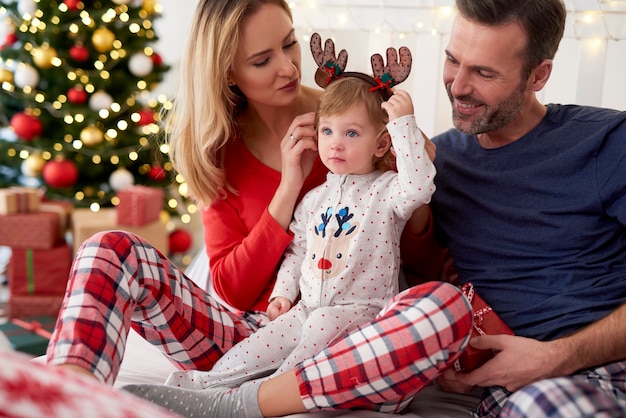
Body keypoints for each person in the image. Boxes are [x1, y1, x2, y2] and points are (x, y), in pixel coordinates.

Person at [127, 0, 626, 417]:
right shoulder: (440, 159)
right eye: (453, 61)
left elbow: (406, 212)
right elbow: (410, 264)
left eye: (484, 72)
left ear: (539, 75)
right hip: (497, 380)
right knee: (438, 305)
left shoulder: (606, 141)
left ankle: (237, 401)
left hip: (592, 364)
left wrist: (556, 357)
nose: (456, 86)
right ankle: (225, 394)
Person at [46, 0, 469, 403]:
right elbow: (232, 287)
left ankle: (249, 401)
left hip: (343, 338)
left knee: (437, 311)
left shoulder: (353, 122)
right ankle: (66, 399)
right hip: (251, 333)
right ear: (229, 73)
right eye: (262, 60)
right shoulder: (217, 148)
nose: (287, 67)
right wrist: (288, 189)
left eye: (289, 43)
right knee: (108, 250)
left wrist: (412, 177)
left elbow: (419, 265)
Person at [159, 60, 437, 390]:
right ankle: (204, 386)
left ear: (380, 144)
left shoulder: (388, 190)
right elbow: (297, 251)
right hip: (307, 308)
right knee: (263, 340)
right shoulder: (313, 199)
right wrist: (282, 295)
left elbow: (420, 187)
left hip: (363, 314)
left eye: (351, 133)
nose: (335, 143)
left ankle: (263, 396)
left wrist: (403, 125)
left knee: (318, 326)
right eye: (327, 131)